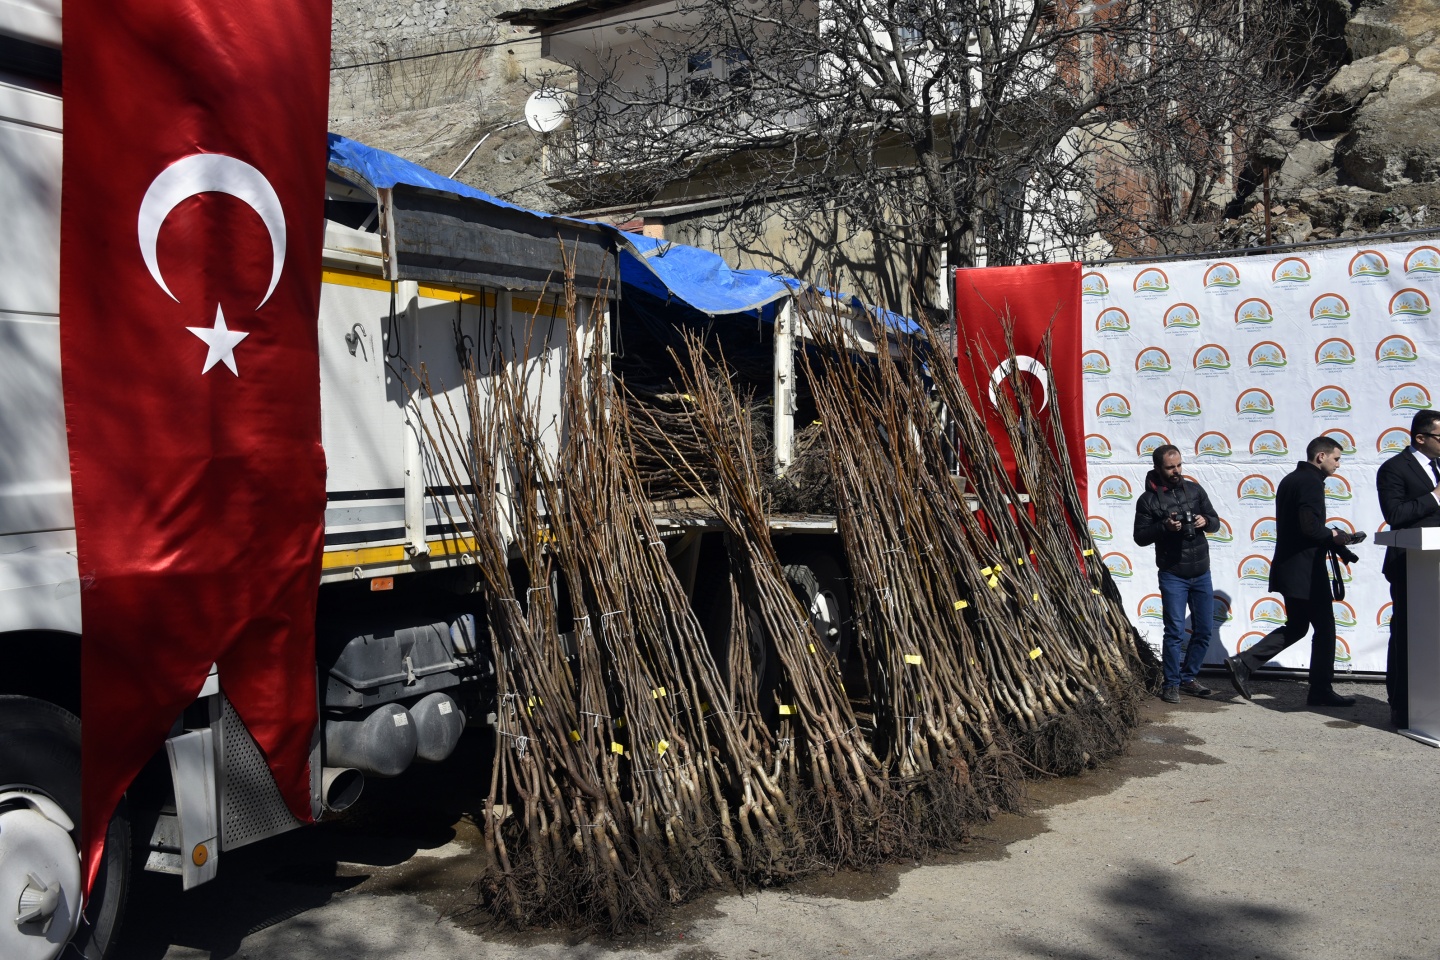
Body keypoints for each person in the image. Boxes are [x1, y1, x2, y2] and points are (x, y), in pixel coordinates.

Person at [1225, 436, 1364, 707]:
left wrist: (1342, 547)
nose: (1339, 465)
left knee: (1299, 626)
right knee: (1324, 629)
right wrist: (1336, 535)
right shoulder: (1311, 482)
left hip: (1292, 567)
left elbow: (1304, 528)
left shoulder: (1291, 479)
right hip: (1306, 572)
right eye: (1336, 459)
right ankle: (1320, 689)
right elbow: (1309, 528)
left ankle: (1244, 663)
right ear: (1321, 457)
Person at [1134, 444, 1221, 703]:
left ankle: (1189, 677)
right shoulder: (1147, 500)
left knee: (1204, 629)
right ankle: (1171, 683)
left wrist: (1205, 521)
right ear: (1158, 468)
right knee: (1174, 631)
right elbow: (1140, 537)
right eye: (1170, 467)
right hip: (1173, 573)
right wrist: (1164, 526)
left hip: (1201, 571)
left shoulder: (1194, 490)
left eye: (1179, 465)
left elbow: (1215, 521)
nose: (1176, 471)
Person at [1376, 409, 1440, 728]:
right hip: (1410, 564)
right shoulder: (1394, 469)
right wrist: (1435, 496)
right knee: (1406, 632)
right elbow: (1396, 514)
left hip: (1437, 563)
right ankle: (1401, 703)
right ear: (1420, 437)